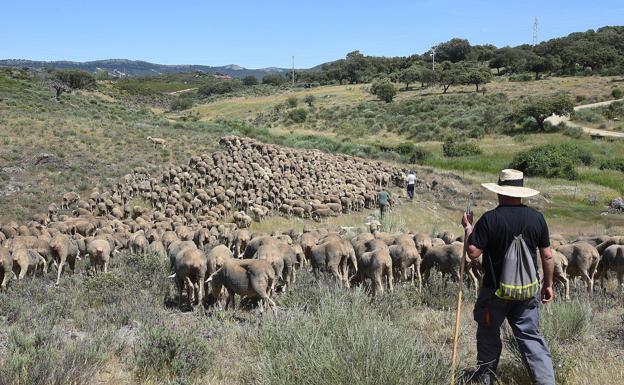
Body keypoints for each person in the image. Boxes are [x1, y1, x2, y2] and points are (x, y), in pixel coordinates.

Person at [461, 169, 555, 385]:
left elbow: (473, 252)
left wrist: (468, 228)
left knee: (488, 334)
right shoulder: (537, 218)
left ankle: (486, 378)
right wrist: (548, 285)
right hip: (527, 291)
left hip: (495, 292)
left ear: (499, 191)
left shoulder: (490, 219)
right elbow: (548, 255)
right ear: (521, 192)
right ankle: (546, 382)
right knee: (530, 337)